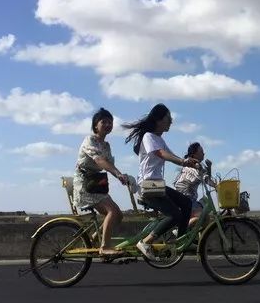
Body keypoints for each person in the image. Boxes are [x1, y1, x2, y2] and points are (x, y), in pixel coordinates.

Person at [123, 103, 198, 261]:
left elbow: (171, 154)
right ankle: (145, 242)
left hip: (157, 185)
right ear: (158, 120)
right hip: (148, 186)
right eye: (168, 118)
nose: (171, 121)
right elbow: (162, 154)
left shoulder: (158, 139)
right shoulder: (149, 136)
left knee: (186, 203)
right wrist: (183, 162)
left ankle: (181, 240)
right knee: (175, 214)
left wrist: (186, 161)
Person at [73, 108, 129, 256]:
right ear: (95, 125)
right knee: (112, 211)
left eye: (110, 122)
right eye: (104, 121)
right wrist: (117, 174)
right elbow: (99, 160)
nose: (108, 124)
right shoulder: (89, 140)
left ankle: (95, 240)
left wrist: (122, 175)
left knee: (118, 215)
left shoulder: (106, 145)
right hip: (85, 184)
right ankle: (104, 247)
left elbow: (109, 164)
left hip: (96, 184)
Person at [173, 142, 217, 228]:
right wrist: (216, 186)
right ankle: (181, 229)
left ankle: (196, 236)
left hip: (189, 198)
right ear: (194, 154)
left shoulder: (196, 166)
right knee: (203, 217)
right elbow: (206, 179)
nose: (203, 154)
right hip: (186, 199)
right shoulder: (192, 166)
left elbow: (206, 177)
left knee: (206, 207)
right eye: (201, 152)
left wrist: (209, 168)